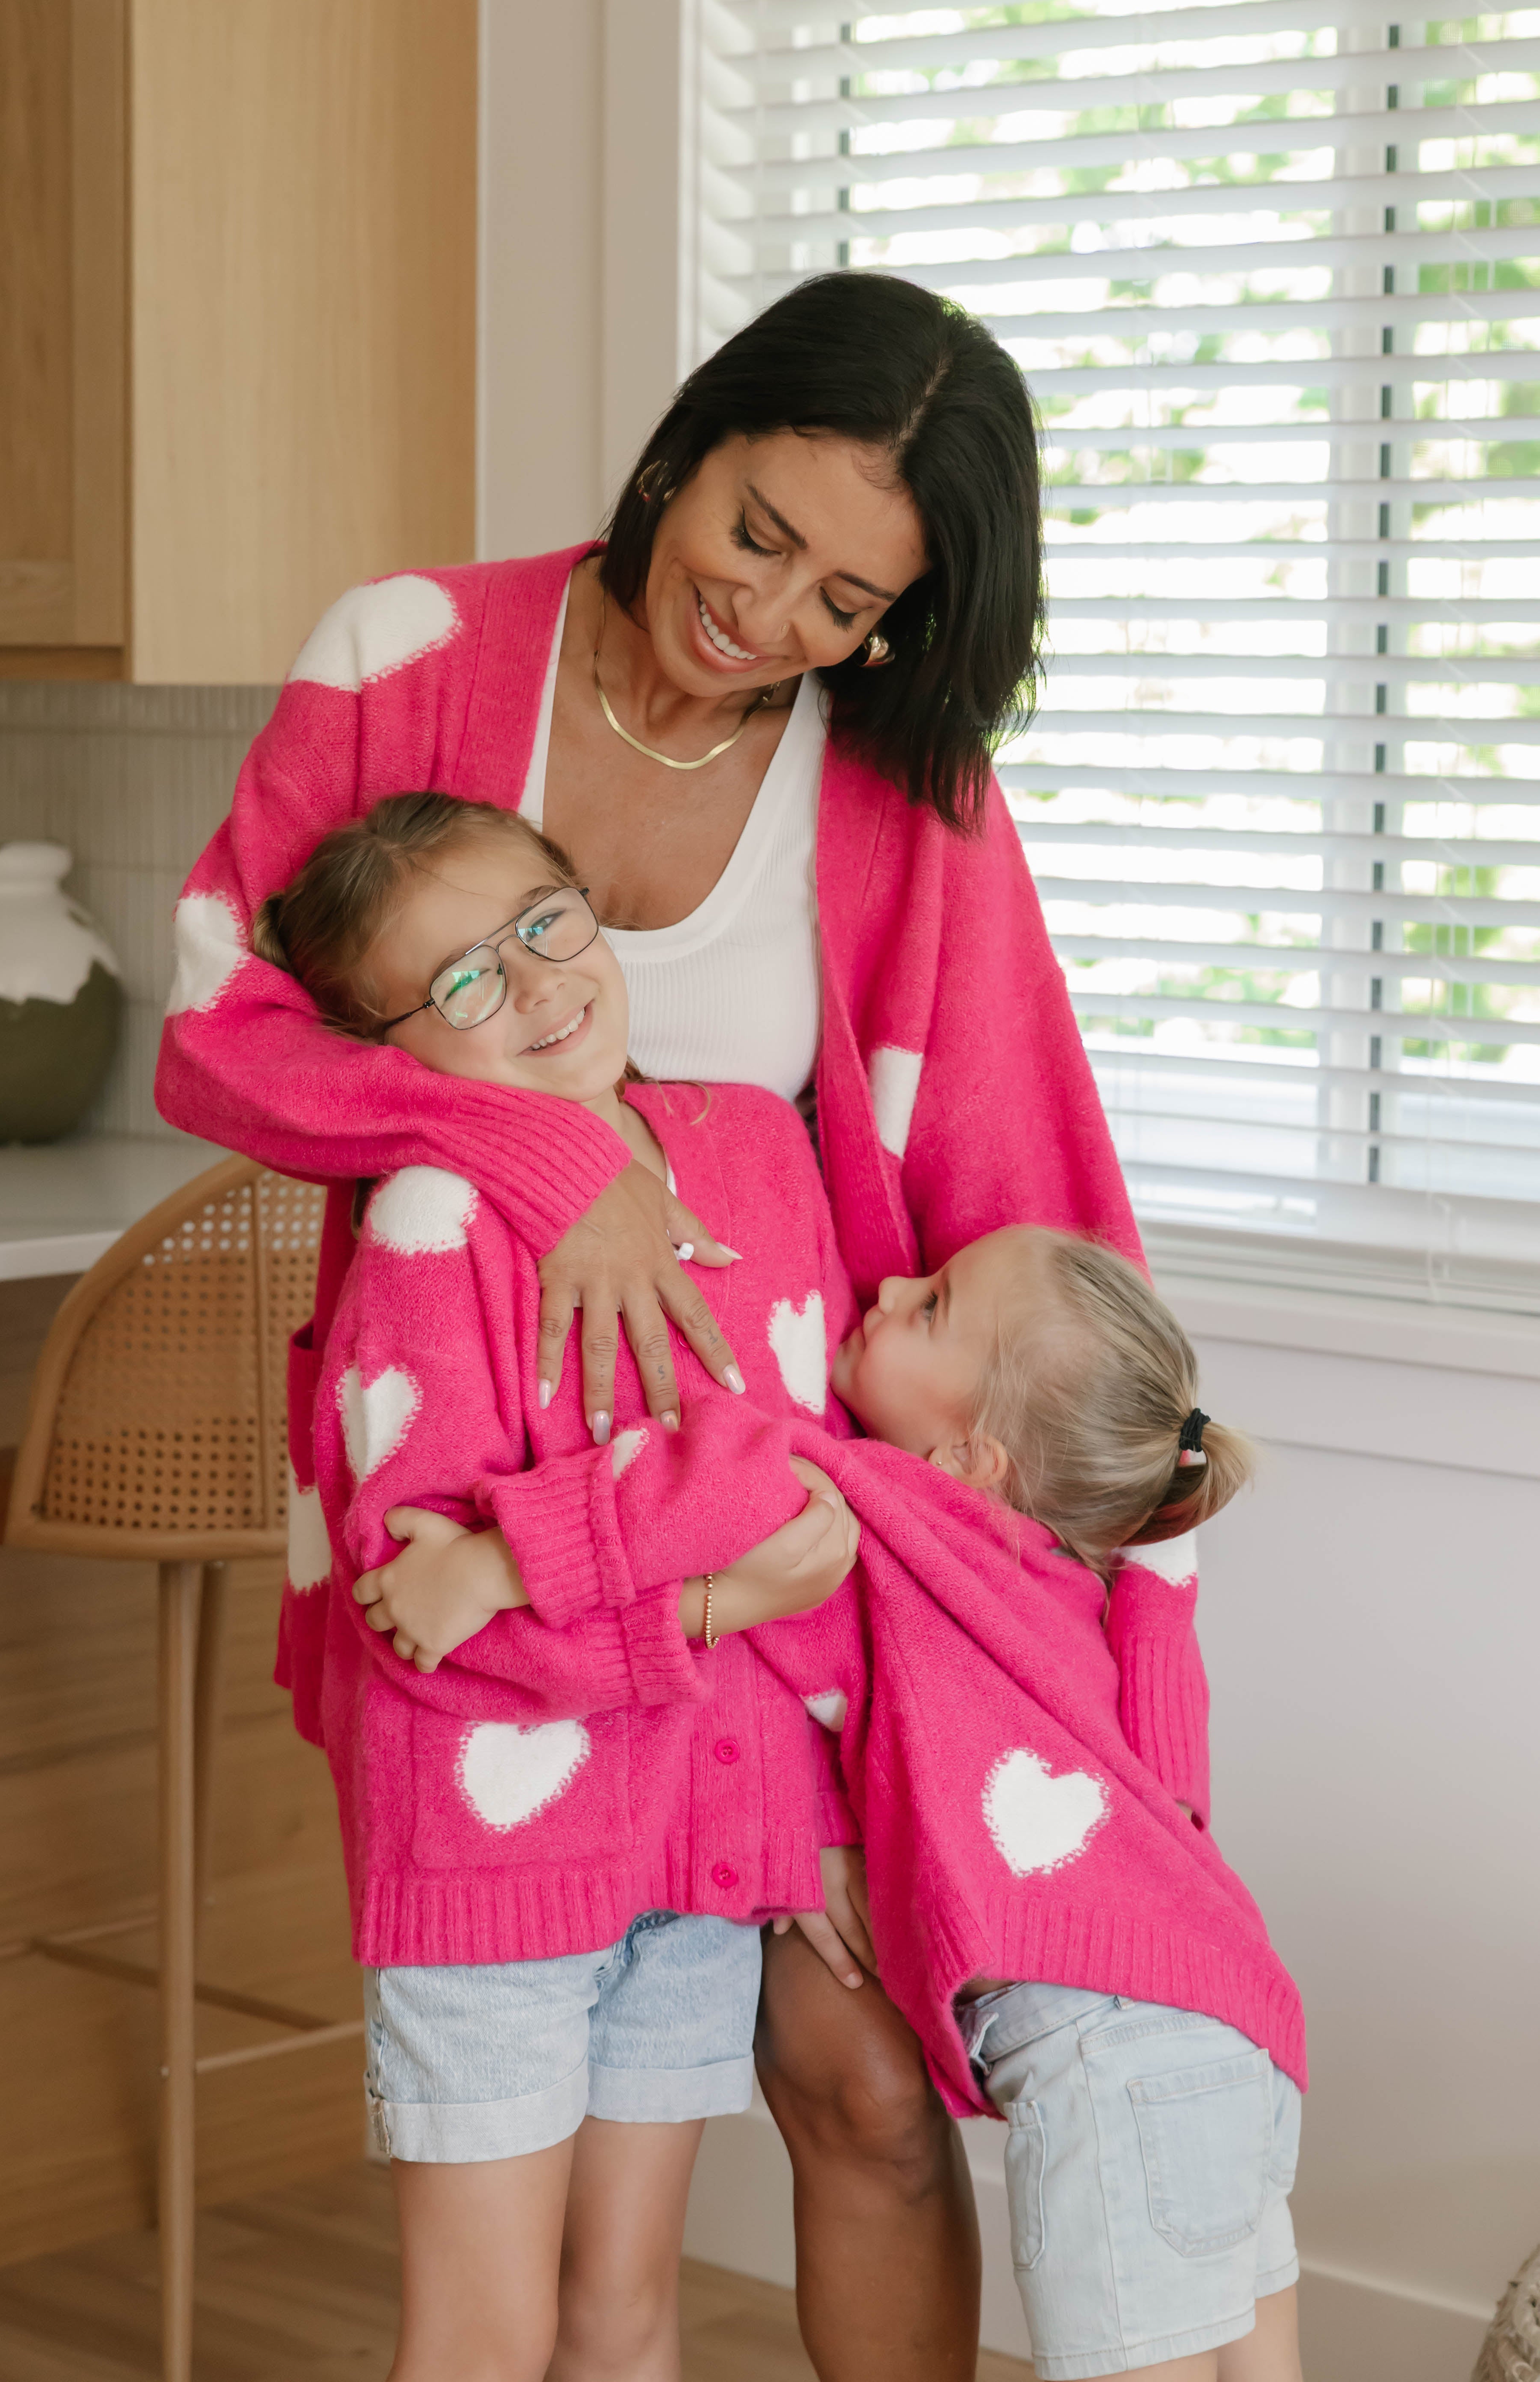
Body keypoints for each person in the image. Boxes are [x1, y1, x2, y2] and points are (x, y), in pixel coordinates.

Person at [157, 268, 1139, 2378]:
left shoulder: (900, 784)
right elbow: (217, 1023)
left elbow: (1014, 1186)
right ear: (684, 448)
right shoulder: (410, 656)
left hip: (794, 1539)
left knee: (865, 2086)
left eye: (844, 598)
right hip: (491, 1553)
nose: (767, 615)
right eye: (755, 531)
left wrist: (1051, 1591)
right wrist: (541, 1156)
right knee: (543, 2108)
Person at [380, 1221, 1306, 2382]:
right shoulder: (1072, 1569)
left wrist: (489, 1566)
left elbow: (701, 1476)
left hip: (1106, 2050)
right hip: (1235, 2008)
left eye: (932, 1309)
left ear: (971, 1457)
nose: (895, 1283)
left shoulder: (871, 1502)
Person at [256, 790, 866, 2381]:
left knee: (626, 2316)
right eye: (460, 981)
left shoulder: (751, 1147)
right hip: (489, 1862)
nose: (531, 987)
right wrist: (704, 1594)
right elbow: (420, 1625)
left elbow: (790, 1474)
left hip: (699, 1842)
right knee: (482, 2340)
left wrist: (524, 1552)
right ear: (391, 1049)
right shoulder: (430, 1217)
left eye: (543, 924)